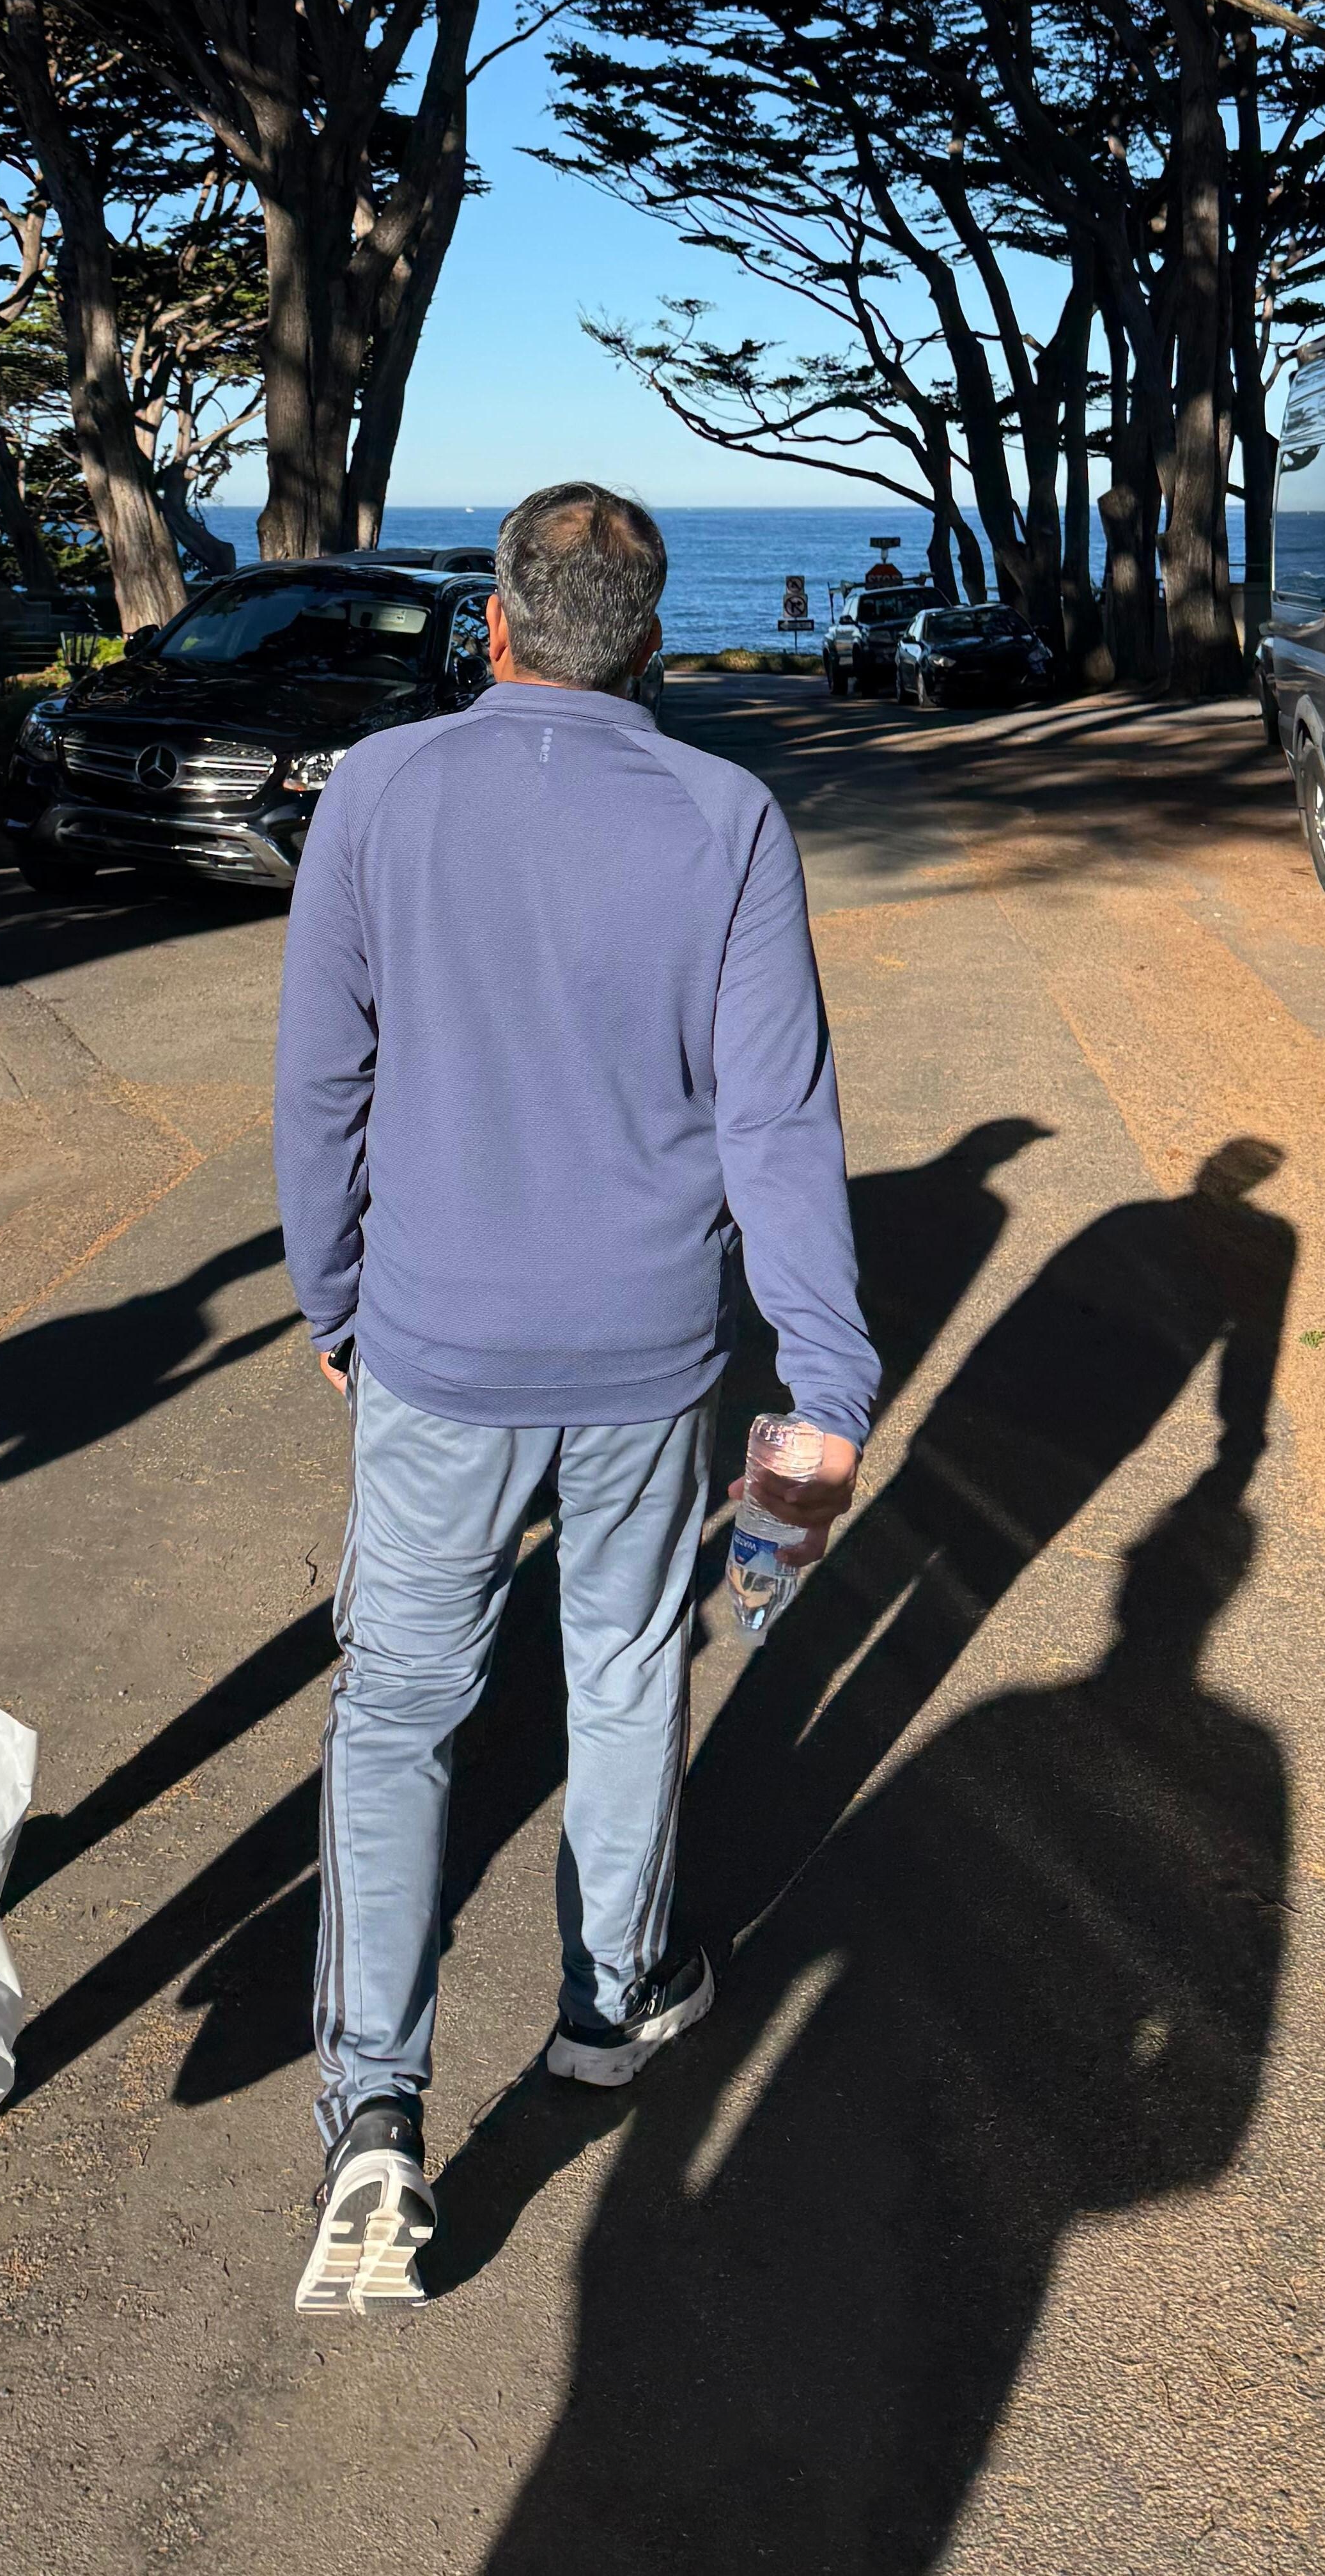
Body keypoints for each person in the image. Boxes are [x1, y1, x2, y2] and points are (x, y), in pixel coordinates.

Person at [274, 480, 876, 2316]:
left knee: (396, 1716)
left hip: (435, 1343)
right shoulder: (724, 816)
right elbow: (773, 1120)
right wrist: (825, 1369)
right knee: (620, 1677)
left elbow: (322, 1079)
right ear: (655, 640)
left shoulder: (380, 790)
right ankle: (606, 2010)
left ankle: (374, 2116)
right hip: (641, 1355)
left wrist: (334, 1293)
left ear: (496, 625)